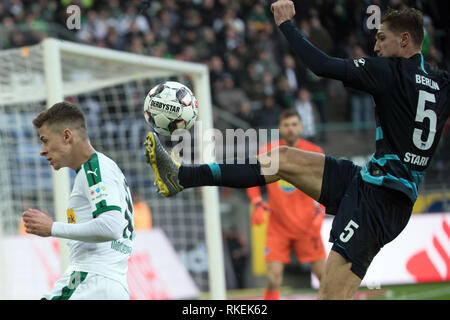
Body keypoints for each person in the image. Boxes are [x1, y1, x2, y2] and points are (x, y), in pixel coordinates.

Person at [144, 3, 450, 300]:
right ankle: (182, 176)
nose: (376, 46)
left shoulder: (389, 71)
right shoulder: (441, 82)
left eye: (382, 38)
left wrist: (286, 25)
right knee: (282, 158)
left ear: (405, 40)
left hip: (382, 200)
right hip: (372, 183)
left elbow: (321, 65)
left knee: (331, 296)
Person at [22, 101, 134, 300]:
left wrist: (53, 227)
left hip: (93, 280)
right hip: (105, 282)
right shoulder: (98, 168)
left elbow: (111, 226)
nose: (42, 150)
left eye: (45, 140)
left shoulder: (95, 168)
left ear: (67, 136)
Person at [247, 109, 326, 300]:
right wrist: (257, 202)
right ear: (280, 128)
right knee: (273, 278)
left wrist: (321, 210)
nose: (290, 129)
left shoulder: (315, 153)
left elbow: (326, 186)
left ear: (301, 127)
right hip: (278, 226)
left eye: (294, 124)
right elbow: (251, 178)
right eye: (286, 125)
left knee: (325, 278)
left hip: (307, 225)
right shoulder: (268, 151)